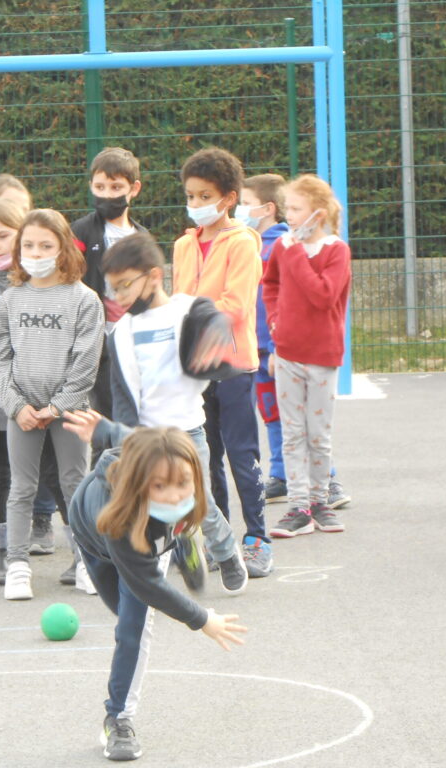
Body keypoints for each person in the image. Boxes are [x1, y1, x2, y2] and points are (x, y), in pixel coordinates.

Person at [62, 409, 247, 762]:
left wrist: (103, 428)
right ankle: (174, 540)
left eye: (183, 484)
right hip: (98, 539)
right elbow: (150, 586)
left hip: (149, 532)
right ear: (139, 482)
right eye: (160, 486)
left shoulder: (160, 457)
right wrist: (203, 619)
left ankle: (118, 718)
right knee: (127, 607)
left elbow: (130, 438)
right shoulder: (120, 523)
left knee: (134, 626)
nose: (175, 496)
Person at [103, 231, 259, 585]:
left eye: (125, 285)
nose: (119, 296)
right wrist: (125, 440)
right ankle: (174, 552)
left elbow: (214, 318)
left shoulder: (186, 310)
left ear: (154, 276)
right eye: (113, 289)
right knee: (152, 500)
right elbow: (121, 393)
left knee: (198, 501)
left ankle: (225, 551)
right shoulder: (121, 333)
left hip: (188, 431)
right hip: (146, 436)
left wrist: (215, 332)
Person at [0, 208, 104, 598]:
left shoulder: (84, 300)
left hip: (68, 410)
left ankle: (88, 561)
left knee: (74, 484)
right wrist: (16, 406)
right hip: (22, 411)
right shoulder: (9, 301)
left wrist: (57, 408)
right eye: (29, 246)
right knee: (21, 487)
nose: (36, 253)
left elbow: (85, 363)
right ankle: (18, 565)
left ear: (64, 248)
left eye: (46, 246)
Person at [171, 147, 272, 575]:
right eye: (190, 196)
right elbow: (176, 299)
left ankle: (257, 539)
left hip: (232, 365)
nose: (195, 204)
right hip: (194, 367)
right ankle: (220, 541)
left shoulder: (243, 242)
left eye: (204, 196)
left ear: (229, 198)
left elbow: (236, 304)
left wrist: (186, 312)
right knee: (204, 458)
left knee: (241, 456)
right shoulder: (183, 245)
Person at [239, 173, 351, 510]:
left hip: (315, 355)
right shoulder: (271, 246)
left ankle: (325, 487)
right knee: (282, 424)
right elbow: (270, 287)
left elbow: (323, 296)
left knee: (315, 430)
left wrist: (297, 253)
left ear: (318, 213)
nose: (290, 215)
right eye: (288, 208)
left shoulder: (324, 250)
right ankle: (290, 489)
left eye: (297, 209)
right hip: (275, 349)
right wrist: (275, 325)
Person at [70, 148, 147, 436]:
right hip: (96, 341)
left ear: (134, 189)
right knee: (102, 416)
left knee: (133, 415)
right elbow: (68, 279)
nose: (107, 195)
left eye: (116, 188)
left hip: (133, 340)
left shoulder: (142, 237)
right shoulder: (80, 232)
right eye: (100, 187)